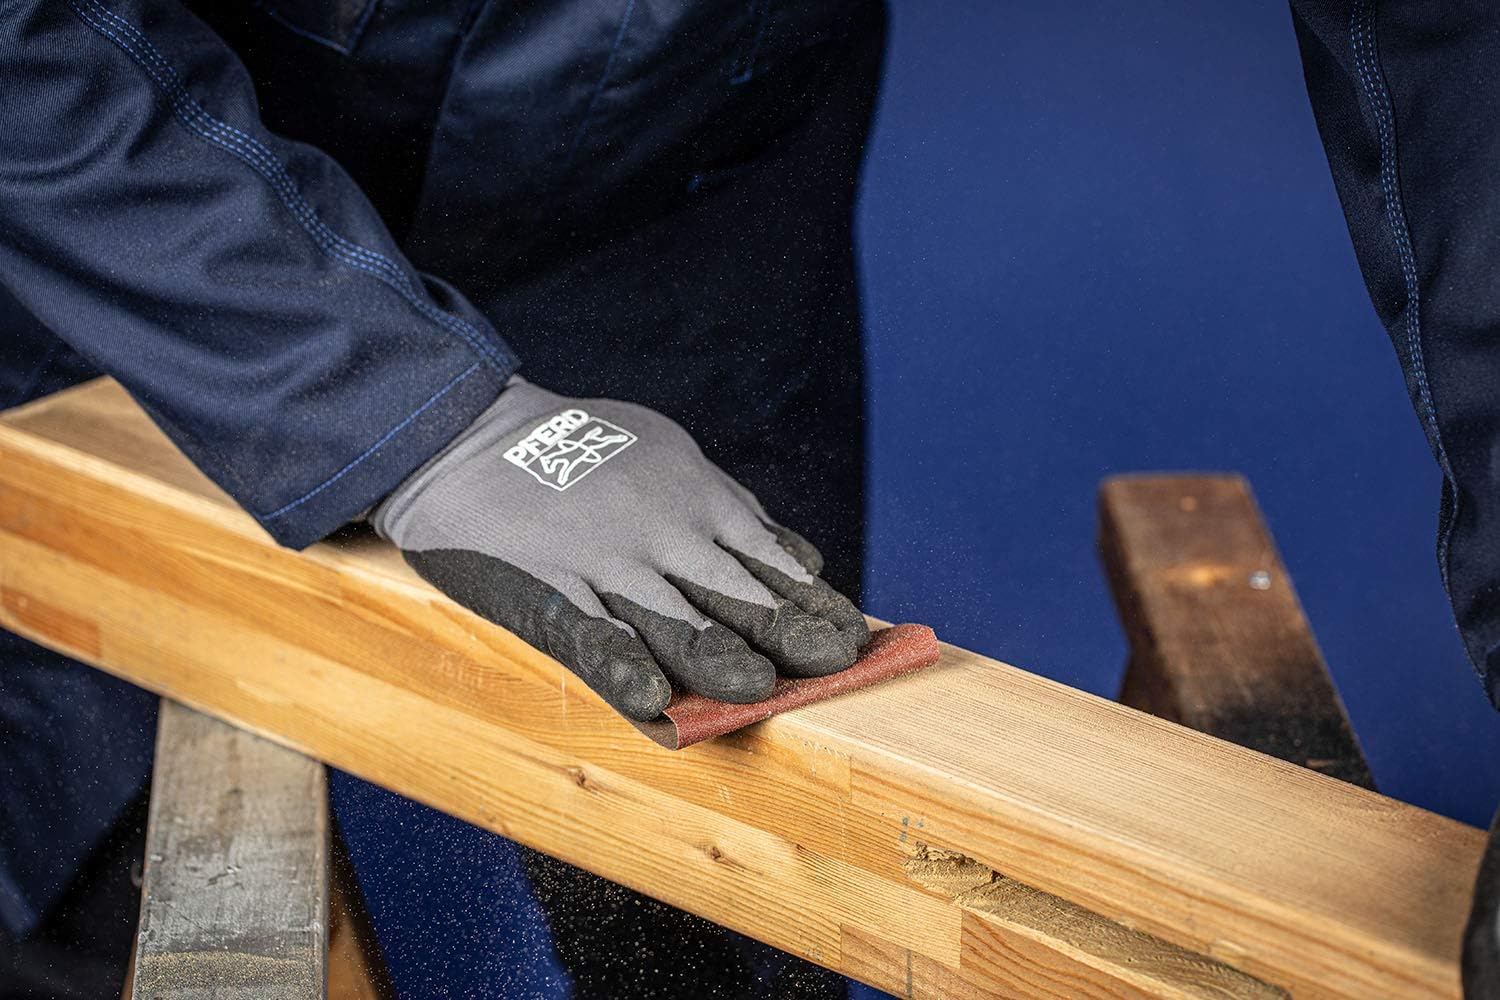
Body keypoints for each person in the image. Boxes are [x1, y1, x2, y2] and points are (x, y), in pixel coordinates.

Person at [3, 1, 1500, 997]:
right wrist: (404, 414)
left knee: (741, 840)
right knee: (85, 815)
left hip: (671, 136)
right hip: (118, 158)